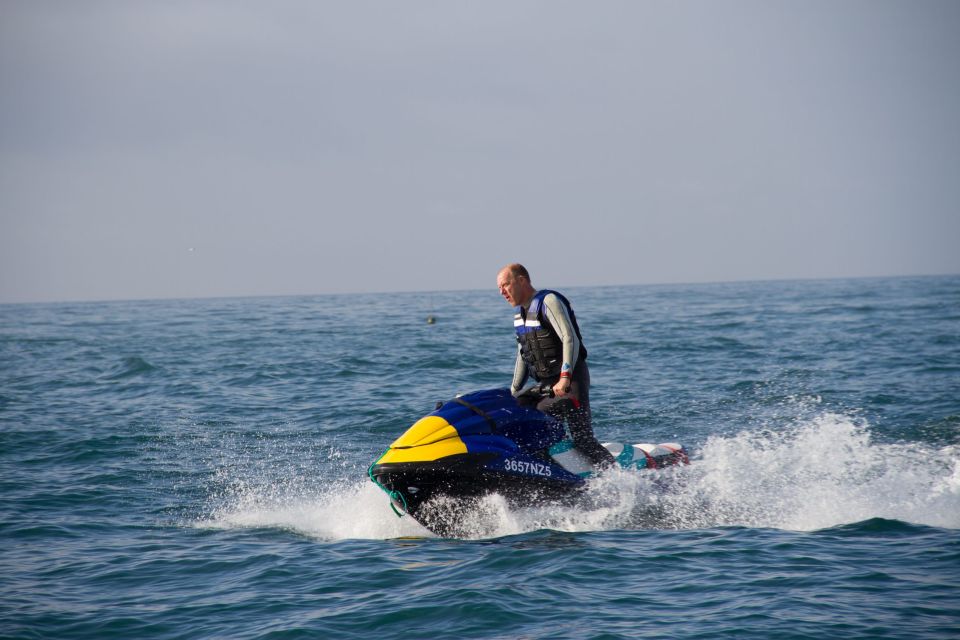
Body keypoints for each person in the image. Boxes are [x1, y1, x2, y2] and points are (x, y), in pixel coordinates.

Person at [496, 263, 616, 469]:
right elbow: (522, 355)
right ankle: (544, 471)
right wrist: (513, 393)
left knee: (582, 440)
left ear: (522, 281)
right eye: (499, 288)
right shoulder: (520, 315)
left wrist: (565, 378)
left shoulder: (548, 301)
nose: (502, 292)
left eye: (505, 285)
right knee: (513, 414)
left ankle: (619, 478)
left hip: (570, 382)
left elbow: (570, 338)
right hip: (546, 385)